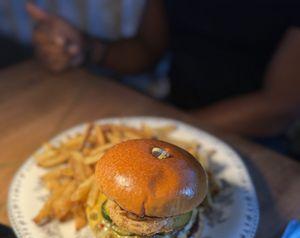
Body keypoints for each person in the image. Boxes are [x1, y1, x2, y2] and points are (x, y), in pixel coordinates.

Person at [27, 1, 300, 139]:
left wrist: (168, 130)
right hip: (174, 114)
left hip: (254, 138)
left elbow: (279, 106)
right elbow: (146, 50)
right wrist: (87, 49)